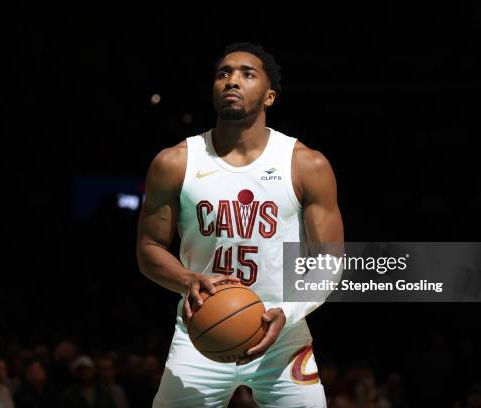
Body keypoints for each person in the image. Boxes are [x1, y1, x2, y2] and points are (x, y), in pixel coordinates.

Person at [137, 42, 343, 407]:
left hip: (283, 336)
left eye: (247, 74)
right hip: (201, 333)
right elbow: (150, 249)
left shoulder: (305, 165)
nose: (232, 80)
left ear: (269, 96)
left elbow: (329, 263)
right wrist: (189, 280)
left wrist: (288, 312)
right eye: (224, 73)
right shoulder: (174, 162)